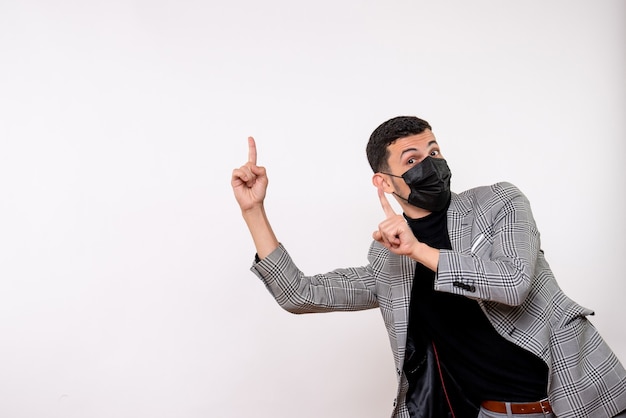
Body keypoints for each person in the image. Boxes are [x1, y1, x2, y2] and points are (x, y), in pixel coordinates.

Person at [231, 116, 626, 418]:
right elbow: (299, 294)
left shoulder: (497, 203)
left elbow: (513, 282)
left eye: (434, 152)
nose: (430, 164)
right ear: (385, 182)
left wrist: (421, 250)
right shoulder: (389, 262)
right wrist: (254, 212)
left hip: (586, 397)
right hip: (495, 411)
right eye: (413, 159)